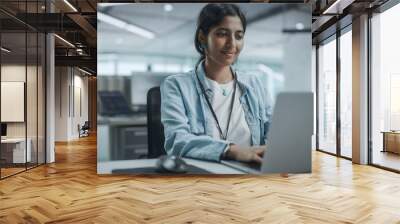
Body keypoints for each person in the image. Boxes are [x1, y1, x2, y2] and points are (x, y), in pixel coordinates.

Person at [160, 3, 272, 164]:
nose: (232, 44)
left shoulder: (254, 83)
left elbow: (274, 133)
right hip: (204, 176)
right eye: (222, 34)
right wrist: (231, 150)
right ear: (202, 36)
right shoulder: (177, 85)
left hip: (252, 173)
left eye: (239, 36)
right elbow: (177, 141)